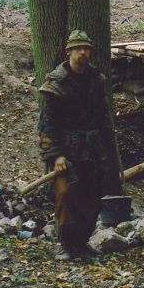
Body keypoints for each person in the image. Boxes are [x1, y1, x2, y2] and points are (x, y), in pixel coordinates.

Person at [38, 30, 119, 260]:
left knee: (91, 197)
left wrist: (108, 147)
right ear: (69, 52)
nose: (84, 53)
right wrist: (56, 156)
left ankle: (82, 243)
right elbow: (48, 124)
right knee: (66, 196)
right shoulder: (56, 84)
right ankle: (66, 244)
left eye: (87, 49)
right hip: (67, 151)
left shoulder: (96, 80)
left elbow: (103, 117)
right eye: (79, 49)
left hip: (93, 150)